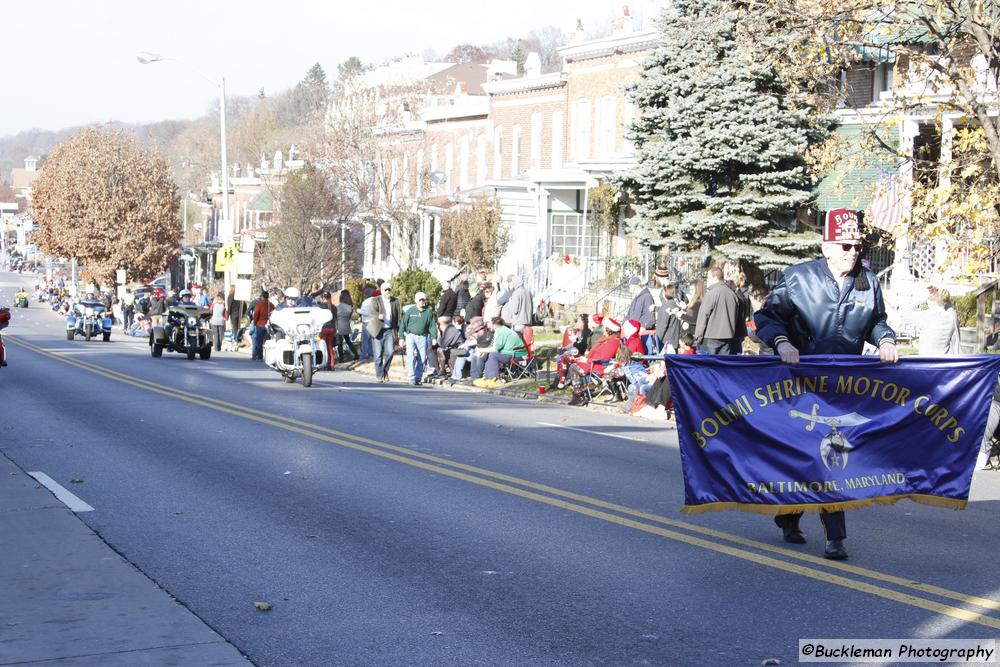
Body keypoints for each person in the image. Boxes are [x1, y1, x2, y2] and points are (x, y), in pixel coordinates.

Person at [754, 208, 898, 561]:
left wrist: (886, 340)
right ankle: (793, 518)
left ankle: (833, 536)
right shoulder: (799, 278)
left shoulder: (869, 281)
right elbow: (768, 317)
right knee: (807, 456)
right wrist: (782, 343)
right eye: (845, 245)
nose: (852, 252)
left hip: (842, 384)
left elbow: (877, 321)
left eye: (857, 246)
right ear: (826, 248)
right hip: (800, 382)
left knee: (834, 453)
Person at [694, 266, 742, 355]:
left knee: (709, 366)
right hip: (727, 337)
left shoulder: (712, 293)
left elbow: (703, 315)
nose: (707, 280)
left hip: (710, 337)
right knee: (722, 367)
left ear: (715, 277)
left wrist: (698, 337)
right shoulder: (732, 294)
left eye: (708, 277)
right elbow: (736, 316)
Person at [473, 317, 527, 388]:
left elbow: (496, 349)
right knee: (489, 354)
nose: (487, 325)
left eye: (489, 323)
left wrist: (482, 350)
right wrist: (484, 351)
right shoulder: (502, 330)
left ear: (494, 324)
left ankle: (495, 380)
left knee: (493, 355)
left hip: (516, 355)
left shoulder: (501, 331)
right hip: (511, 353)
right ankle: (488, 378)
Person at [399, 291, 435, 385]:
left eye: (424, 300)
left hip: (423, 337)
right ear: (416, 300)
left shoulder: (428, 312)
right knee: (410, 356)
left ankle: (418, 377)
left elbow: (432, 326)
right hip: (410, 336)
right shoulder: (410, 311)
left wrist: (434, 337)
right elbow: (403, 324)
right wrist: (401, 338)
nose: (422, 302)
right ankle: (411, 377)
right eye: (420, 300)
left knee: (422, 358)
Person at [368, 283, 402, 383]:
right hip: (378, 330)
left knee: (390, 353)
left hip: (389, 330)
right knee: (378, 355)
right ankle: (379, 375)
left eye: (389, 290)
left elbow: (398, 317)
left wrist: (399, 332)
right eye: (385, 290)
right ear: (381, 291)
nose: (387, 292)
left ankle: (385, 371)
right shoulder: (375, 300)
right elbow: (372, 311)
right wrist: (378, 315)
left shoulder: (395, 301)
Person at [918, 286, 961, 355]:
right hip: (945, 363)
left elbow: (905, 311)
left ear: (932, 302)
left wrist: (924, 296)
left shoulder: (925, 317)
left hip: (925, 363)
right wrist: (944, 298)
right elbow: (949, 306)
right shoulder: (952, 316)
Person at [625, 276, 658, 354]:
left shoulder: (647, 297)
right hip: (633, 334)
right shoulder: (635, 299)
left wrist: (643, 327)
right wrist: (625, 324)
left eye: (630, 285)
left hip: (642, 336)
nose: (629, 287)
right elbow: (628, 315)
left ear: (635, 285)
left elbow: (650, 318)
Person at [251, 289, 274, 361]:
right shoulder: (271, 305)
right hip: (268, 325)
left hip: (260, 324)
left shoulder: (259, 305)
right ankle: (268, 356)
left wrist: (254, 323)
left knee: (259, 341)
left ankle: (260, 356)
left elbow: (256, 315)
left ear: (262, 297)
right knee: (268, 340)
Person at [335, 289, 357, 361]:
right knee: (348, 341)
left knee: (340, 343)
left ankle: (341, 358)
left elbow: (335, 315)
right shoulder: (349, 307)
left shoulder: (338, 306)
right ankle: (356, 354)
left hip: (339, 324)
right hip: (346, 324)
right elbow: (350, 316)